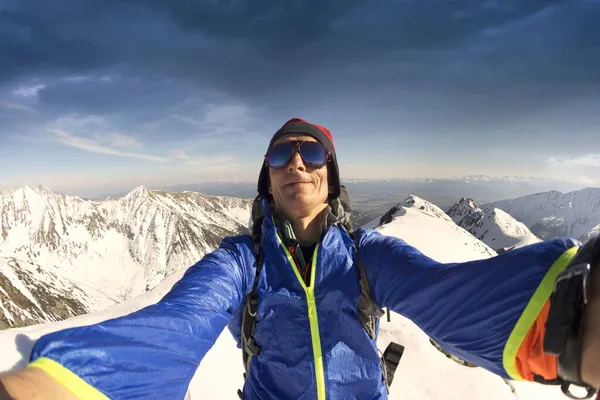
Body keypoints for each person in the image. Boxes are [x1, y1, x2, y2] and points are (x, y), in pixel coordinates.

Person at [1, 117, 600, 400]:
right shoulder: (242, 265)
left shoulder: (370, 257)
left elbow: (442, 293)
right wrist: (68, 384)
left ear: (330, 175)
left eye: (310, 152)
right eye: (281, 154)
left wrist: (570, 319)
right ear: (266, 178)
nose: (295, 163)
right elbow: (179, 323)